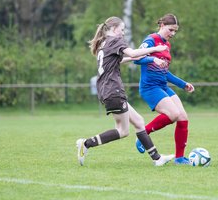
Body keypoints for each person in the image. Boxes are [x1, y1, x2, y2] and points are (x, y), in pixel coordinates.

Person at [76, 16, 174, 166]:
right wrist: (155, 49)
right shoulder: (115, 40)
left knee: (139, 122)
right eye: (122, 30)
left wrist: (147, 58)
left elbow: (121, 60)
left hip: (108, 90)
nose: (123, 33)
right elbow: (133, 53)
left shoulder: (104, 42)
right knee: (123, 131)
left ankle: (158, 159)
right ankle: (86, 144)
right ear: (114, 29)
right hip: (113, 90)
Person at [134, 13, 195, 165]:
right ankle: (143, 135)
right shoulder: (151, 40)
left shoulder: (167, 45)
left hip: (162, 86)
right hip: (150, 87)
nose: (173, 34)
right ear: (162, 25)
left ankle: (179, 158)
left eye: (175, 31)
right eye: (171, 30)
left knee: (182, 117)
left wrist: (183, 84)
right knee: (173, 114)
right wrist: (153, 58)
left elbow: (165, 72)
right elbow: (136, 59)